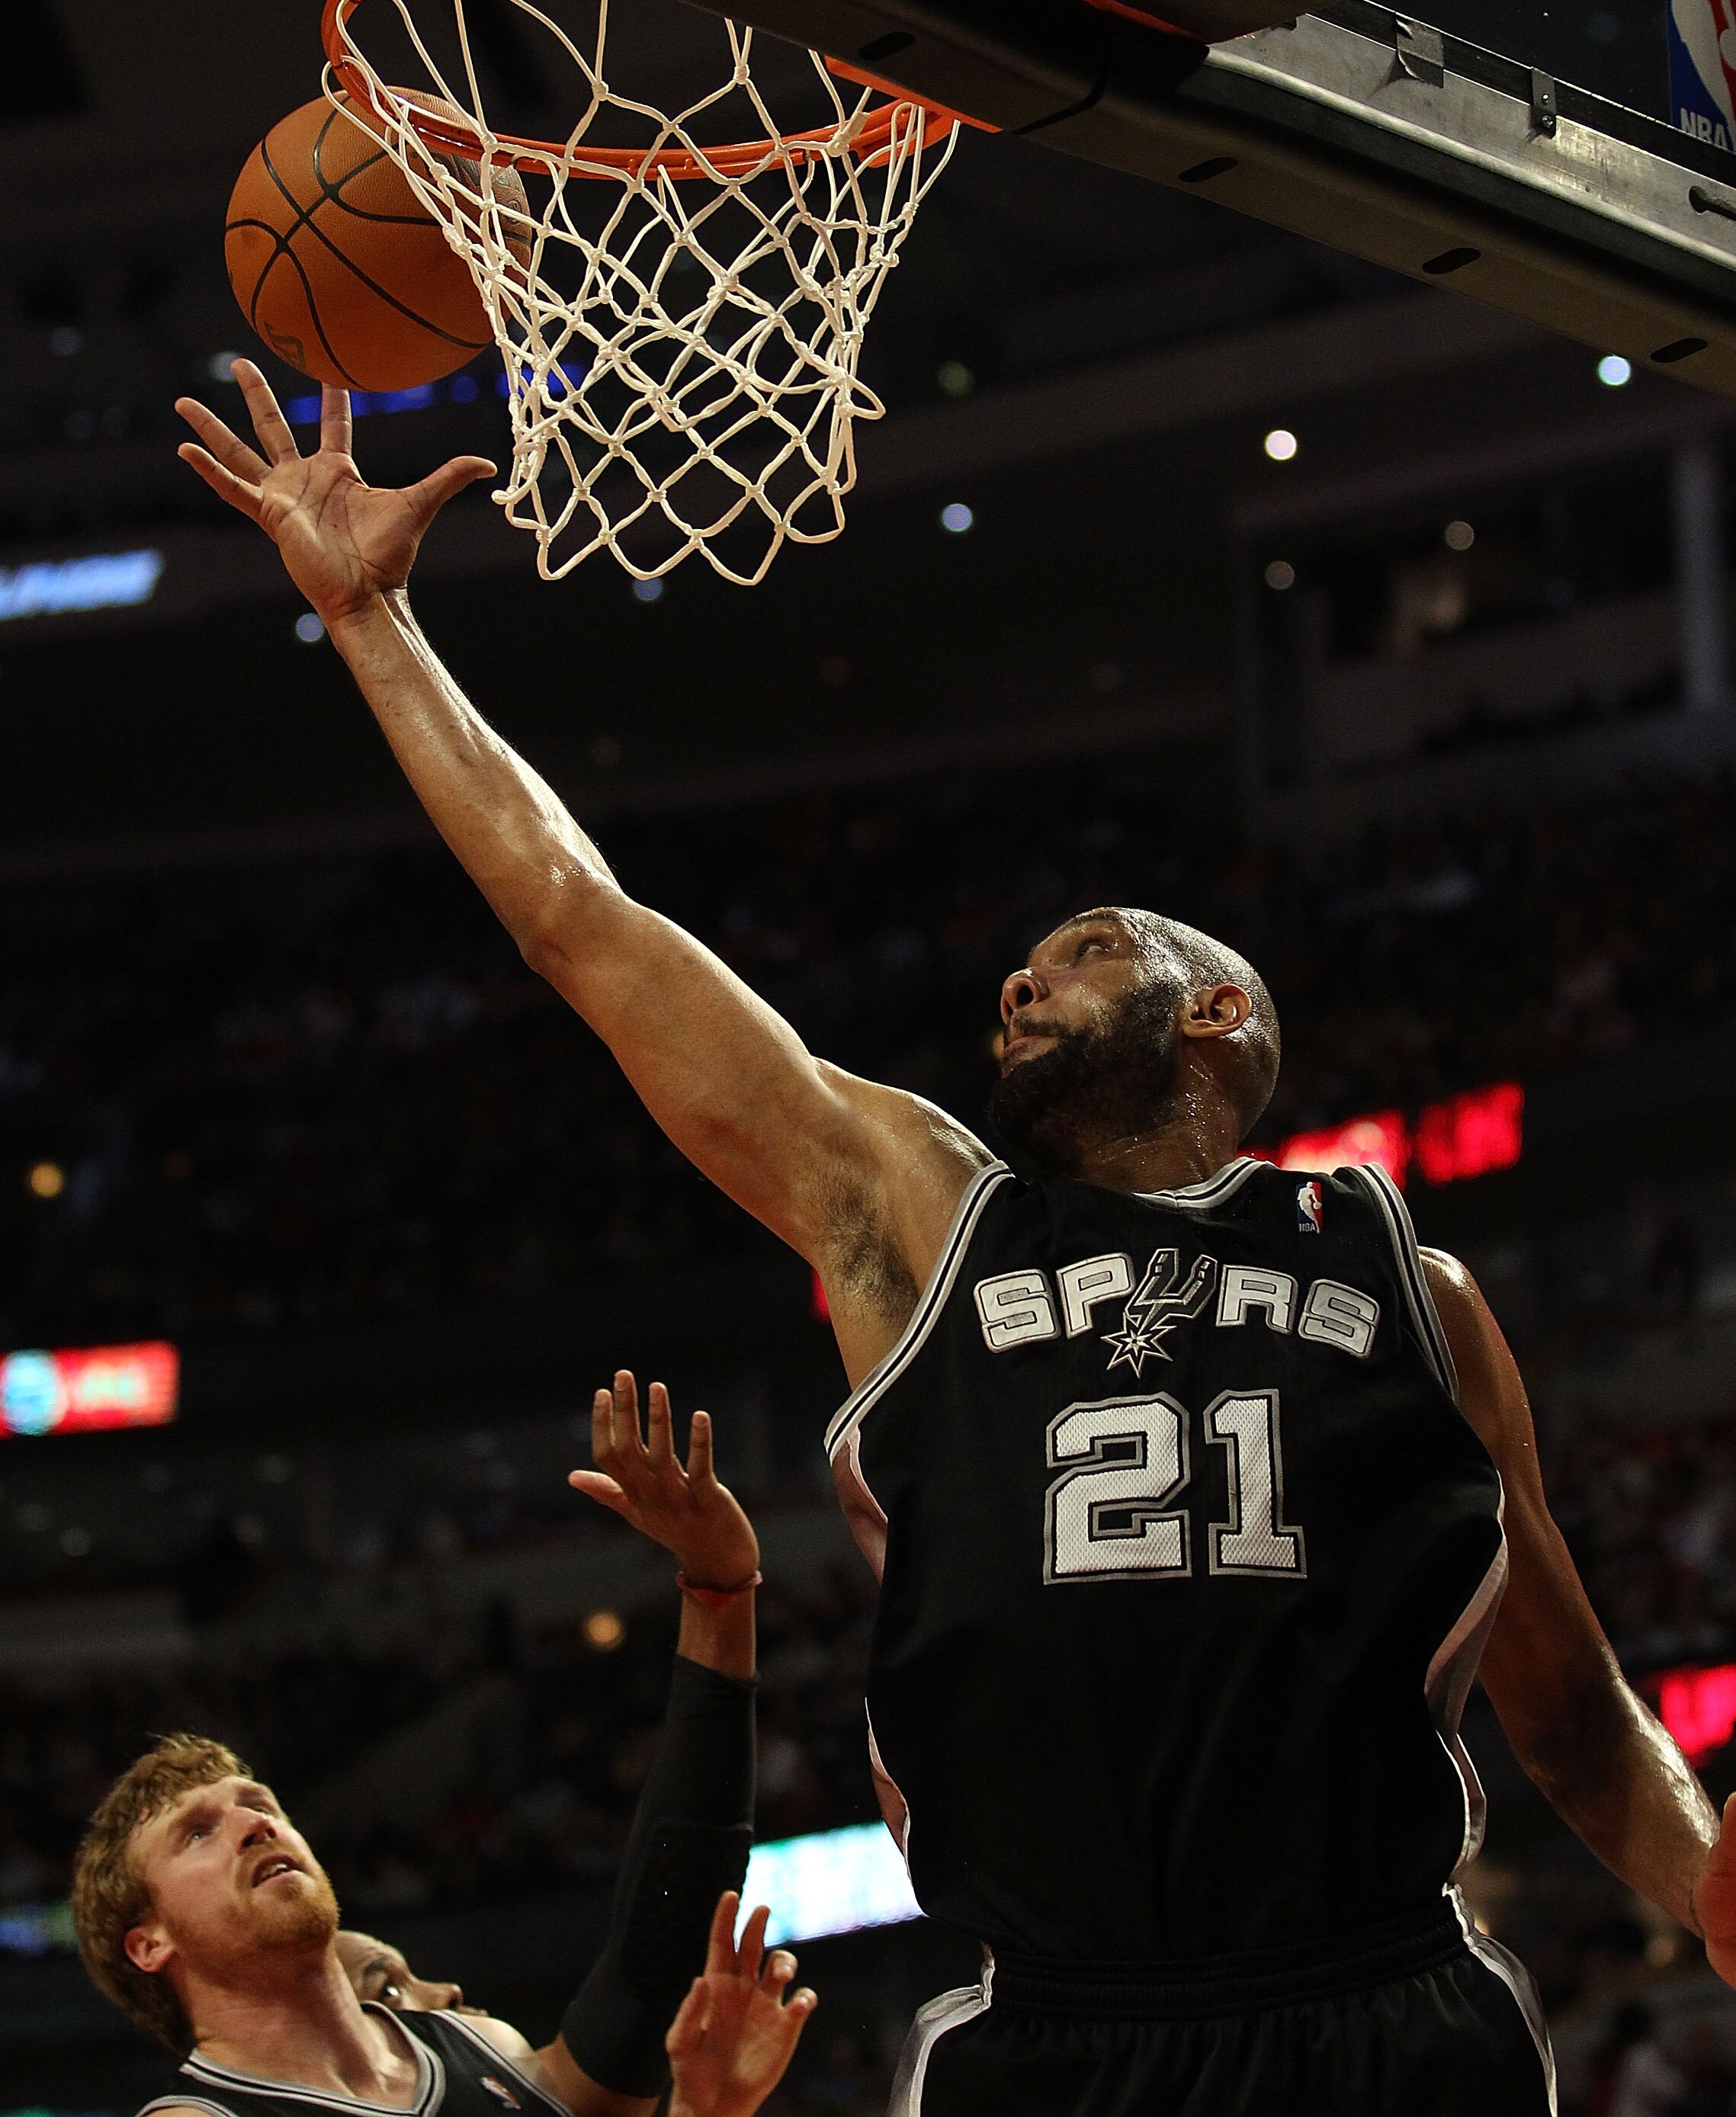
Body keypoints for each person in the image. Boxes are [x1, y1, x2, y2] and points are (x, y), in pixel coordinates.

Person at [173, 367, 1736, 2115]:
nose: (1017, 980)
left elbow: (1581, 1716)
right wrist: (373, 622)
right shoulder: (922, 1216)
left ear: (1215, 1009)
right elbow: (581, 928)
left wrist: (1705, 1881)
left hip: (1385, 2009)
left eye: (1076, 950)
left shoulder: (1404, 1283)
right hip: (1062, 2032)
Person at [73, 1378, 814, 2117]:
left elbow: (659, 1945)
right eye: (198, 1832)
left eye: (258, 1804)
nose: (254, 1824)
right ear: (149, 1942)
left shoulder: (488, 2048)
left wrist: (719, 1588)